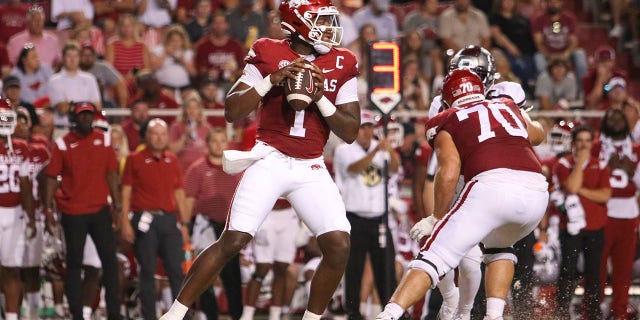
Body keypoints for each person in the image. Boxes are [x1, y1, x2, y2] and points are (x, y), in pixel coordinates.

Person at [160, 0, 360, 318]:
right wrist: (272, 80)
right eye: (321, 21)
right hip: (271, 158)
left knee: (339, 246)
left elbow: (350, 131)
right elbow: (232, 110)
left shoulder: (343, 61)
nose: (329, 28)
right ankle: (175, 313)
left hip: (311, 164)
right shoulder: (267, 50)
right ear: (297, 23)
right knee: (234, 239)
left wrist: (320, 97)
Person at [376, 68, 548, 320]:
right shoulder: (507, 105)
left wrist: (435, 217)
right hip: (536, 193)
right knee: (499, 247)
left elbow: (448, 170)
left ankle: (388, 315)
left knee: (433, 254)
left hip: (491, 187)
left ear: (446, 100)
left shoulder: (448, 118)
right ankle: (494, 316)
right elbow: (538, 135)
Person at [43, 101, 122, 320]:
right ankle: (77, 314)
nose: (86, 118)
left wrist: (117, 205)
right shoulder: (63, 144)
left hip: (99, 210)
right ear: (74, 118)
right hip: (73, 211)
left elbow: (112, 174)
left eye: (89, 115)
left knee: (110, 263)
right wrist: (48, 209)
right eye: (82, 115)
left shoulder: (104, 140)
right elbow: (51, 177)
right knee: (74, 264)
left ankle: (114, 313)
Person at [120, 118, 191, 320]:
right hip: (144, 219)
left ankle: (181, 316)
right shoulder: (134, 158)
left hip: (169, 220)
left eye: (163, 134)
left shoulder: (172, 159)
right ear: (146, 136)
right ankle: (149, 316)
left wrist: (185, 224)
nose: (159, 138)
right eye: (155, 133)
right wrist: (125, 221)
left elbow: (179, 193)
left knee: (178, 271)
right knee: (147, 271)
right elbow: (125, 192)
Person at [333, 109, 400, 320]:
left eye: (370, 127)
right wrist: (376, 152)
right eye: (363, 127)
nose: (366, 132)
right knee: (354, 267)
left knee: (386, 267)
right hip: (354, 218)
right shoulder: (344, 149)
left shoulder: (381, 149)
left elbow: (395, 169)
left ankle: (391, 311)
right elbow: (353, 168)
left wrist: (390, 152)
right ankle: (353, 312)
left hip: (379, 217)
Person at [551, 124, 611, 319]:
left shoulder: (601, 165)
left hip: (596, 226)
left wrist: (581, 190)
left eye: (587, 141)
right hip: (569, 228)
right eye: (580, 141)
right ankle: (561, 314)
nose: (584, 145)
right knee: (568, 273)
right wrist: (581, 164)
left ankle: (592, 314)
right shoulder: (563, 164)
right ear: (573, 143)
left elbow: (605, 195)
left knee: (594, 274)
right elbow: (571, 186)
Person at [184, 128, 243, 320]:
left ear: (227, 143)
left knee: (233, 276)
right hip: (204, 227)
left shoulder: (236, 170)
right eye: (214, 141)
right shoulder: (197, 168)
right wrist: (185, 227)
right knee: (204, 274)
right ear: (207, 144)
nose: (218, 144)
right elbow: (188, 200)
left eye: (222, 140)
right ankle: (210, 316)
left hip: (229, 228)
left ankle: (237, 315)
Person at [593, 109, 640, 320]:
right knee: (597, 268)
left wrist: (633, 173)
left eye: (619, 117)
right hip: (601, 212)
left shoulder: (637, 150)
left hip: (628, 213)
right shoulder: (594, 148)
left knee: (623, 269)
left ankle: (619, 312)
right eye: (610, 117)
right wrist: (604, 169)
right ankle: (593, 311)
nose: (615, 120)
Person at [0, 99, 36, 320]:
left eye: (6, 116)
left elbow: (25, 185)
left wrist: (31, 217)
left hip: (14, 213)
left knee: (12, 269)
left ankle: (12, 317)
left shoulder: (21, 146)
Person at [13, 107, 49, 320]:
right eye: (15, 120)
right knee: (10, 267)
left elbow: (49, 185)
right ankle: (12, 312)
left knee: (32, 268)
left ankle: (34, 313)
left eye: (23, 120)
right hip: (13, 212)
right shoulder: (6, 149)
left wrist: (49, 210)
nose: (19, 124)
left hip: (36, 214)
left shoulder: (41, 150)